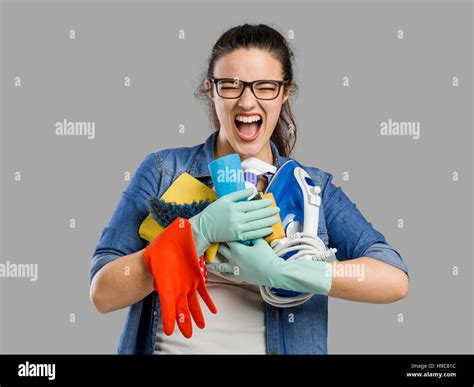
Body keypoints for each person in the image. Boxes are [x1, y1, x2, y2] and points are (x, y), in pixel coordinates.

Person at [89, 23, 409, 355]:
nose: (246, 101)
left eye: (265, 87)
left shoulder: (313, 189)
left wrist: (286, 272)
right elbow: (103, 293)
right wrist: (194, 234)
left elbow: (393, 280)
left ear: (285, 93)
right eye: (230, 85)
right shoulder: (163, 170)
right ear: (211, 90)